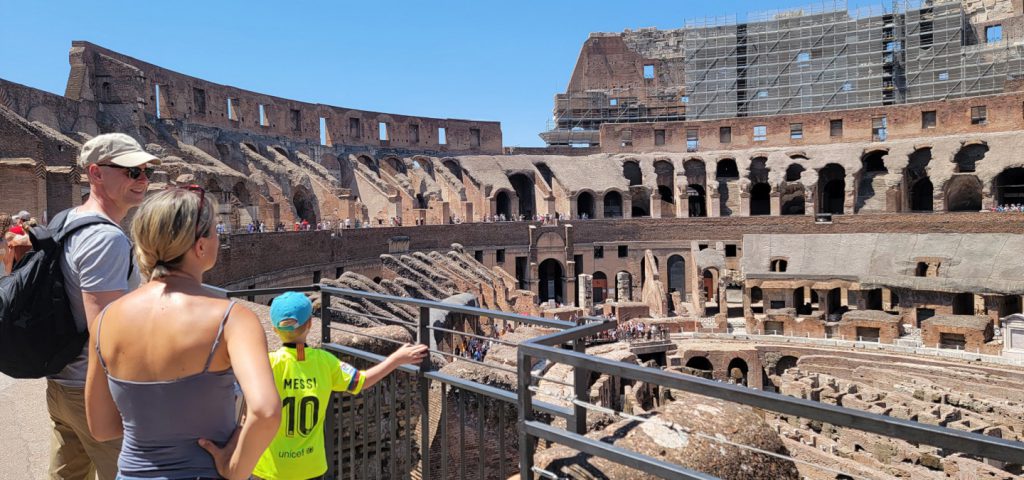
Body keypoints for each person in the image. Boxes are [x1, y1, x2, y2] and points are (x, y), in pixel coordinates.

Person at [85, 187, 281, 480]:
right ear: (200, 247)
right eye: (216, 230)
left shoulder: (104, 321)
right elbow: (266, 411)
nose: (219, 237)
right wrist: (234, 468)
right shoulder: (232, 319)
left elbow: (101, 428)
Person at [47, 133, 158, 480]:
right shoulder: (106, 239)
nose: (142, 180)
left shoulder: (64, 219)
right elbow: (105, 335)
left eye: (145, 172)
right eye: (130, 172)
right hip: (94, 391)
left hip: (61, 384)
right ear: (96, 174)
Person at [253, 291, 427, 480]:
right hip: (310, 467)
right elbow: (361, 381)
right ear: (310, 324)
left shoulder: (267, 364)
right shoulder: (325, 362)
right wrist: (395, 359)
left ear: (275, 329)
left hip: (271, 469)